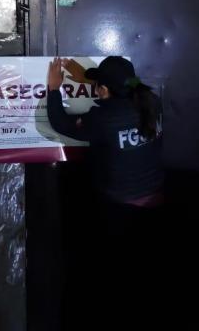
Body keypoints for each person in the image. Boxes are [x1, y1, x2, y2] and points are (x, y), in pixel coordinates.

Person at [46, 56, 165, 329]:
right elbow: (128, 90)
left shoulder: (103, 117)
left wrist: (54, 88)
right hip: (155, 202)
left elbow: (61, 123)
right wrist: (92, 81)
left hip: (121, 210)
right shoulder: (152, 102)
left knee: (117, 276)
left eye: (99, 86)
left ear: (104, 90)